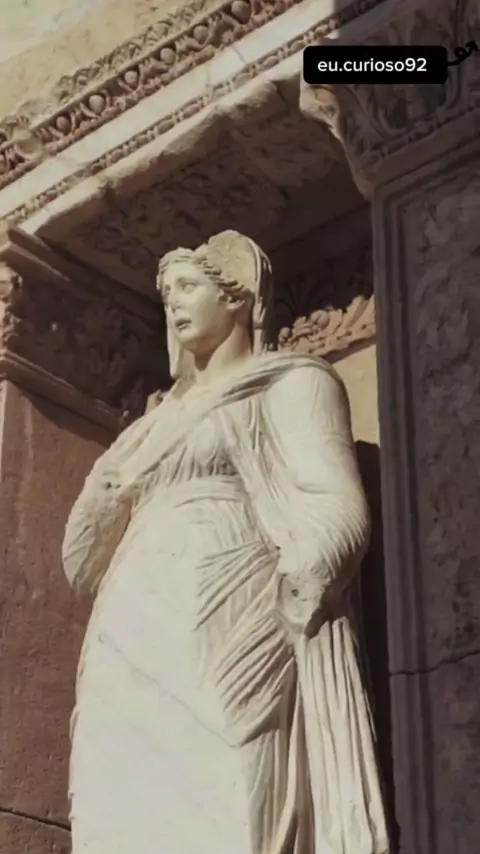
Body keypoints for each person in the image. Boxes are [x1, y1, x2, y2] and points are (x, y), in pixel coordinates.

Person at [63, 230, 390, 854]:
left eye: (188, 288)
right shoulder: (148, 429)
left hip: (235, 605)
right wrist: (106, 490)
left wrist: (303, 583)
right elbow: (80, 567)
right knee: (122, 782)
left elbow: (334, 500)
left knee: (231, 773)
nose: (174, 305)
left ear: (237, 297)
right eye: (167, 295)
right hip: (130, 617)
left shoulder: (292, 382)